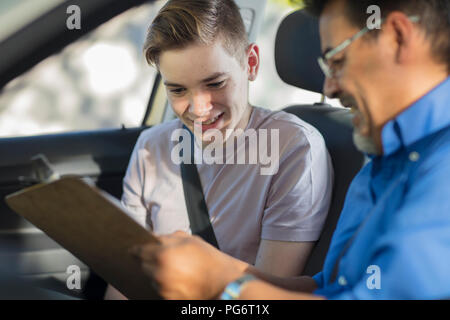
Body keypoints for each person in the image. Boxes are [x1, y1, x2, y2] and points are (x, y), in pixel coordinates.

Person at [130, 0, 450, 300]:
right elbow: (327, 288)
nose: (329, 87)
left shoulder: (440, 169)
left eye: (337, 61)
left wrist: (221, 285)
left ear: (397, 37)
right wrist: (222, 270)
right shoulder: (383, 163)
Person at [105, 0, 333, 299]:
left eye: (214, 83)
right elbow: (123, 281)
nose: (199, 109)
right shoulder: (152, 147)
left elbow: (268, 296)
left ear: (250, 63)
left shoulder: (293, 149)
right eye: (177, 90)